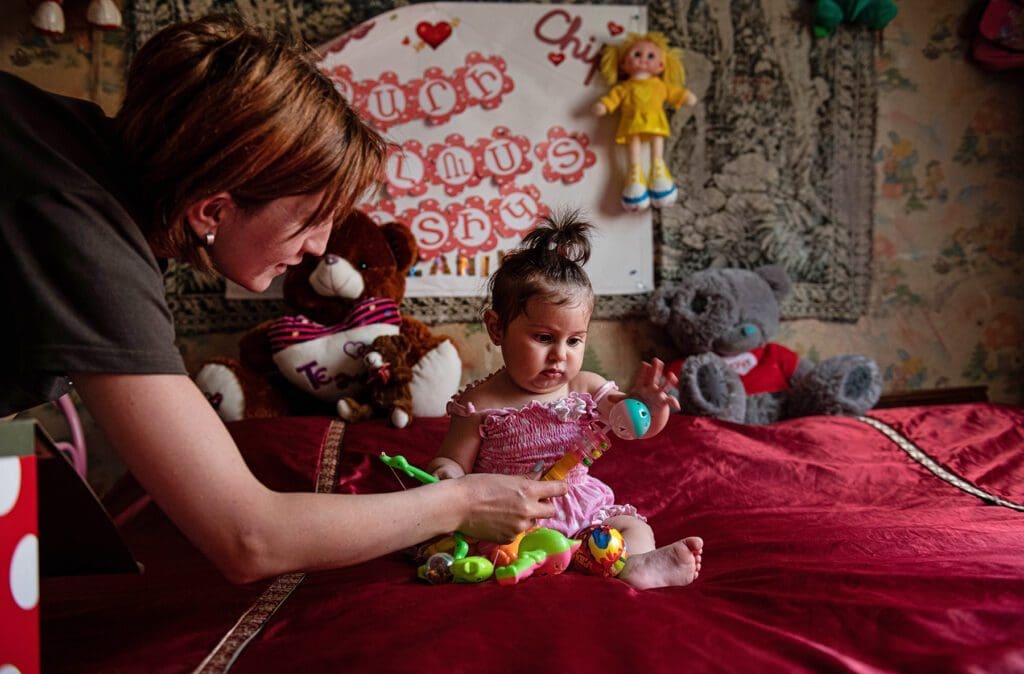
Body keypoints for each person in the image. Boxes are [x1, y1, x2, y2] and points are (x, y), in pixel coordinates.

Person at [0, 14, 566, 584]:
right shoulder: (81, 228)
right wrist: (460, 504)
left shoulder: (69, 151)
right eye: (310, 221)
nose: (319, 247)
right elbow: (249, 536)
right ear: (213, 211)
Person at [426, 212, 704, 590]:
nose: (561, 355)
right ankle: (559, 559)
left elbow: (629, 423)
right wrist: (445, 475)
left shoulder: (585, 387)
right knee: (487, 551)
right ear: (497, 328)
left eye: (574, 340)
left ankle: (636, 565)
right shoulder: (480, 403)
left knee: (631, 527)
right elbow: (452, 462)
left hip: (582, 509)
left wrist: (649, 409)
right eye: (544, 338)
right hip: (511, 516)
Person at [592, 31, 698, 212]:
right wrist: (604, 105)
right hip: (632, 123)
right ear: (624, 63)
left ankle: (659, 172)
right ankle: (635, 176)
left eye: (650, 56)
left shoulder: (660, 85)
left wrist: (685, 96)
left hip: (655, 122)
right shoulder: (625, 87)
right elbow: (613, 98)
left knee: (657, 143)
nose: (643, 60)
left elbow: (674, 93)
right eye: (637, 55)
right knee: (632, 146)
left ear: (661, 65)